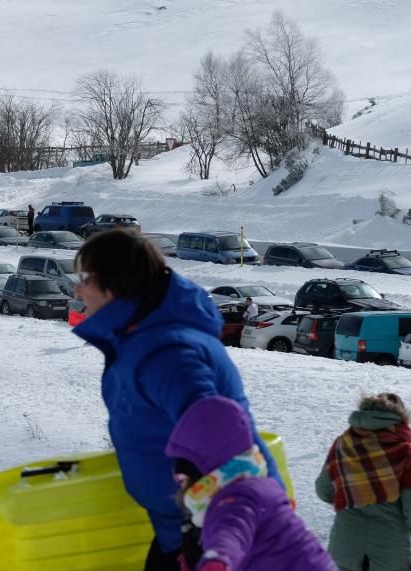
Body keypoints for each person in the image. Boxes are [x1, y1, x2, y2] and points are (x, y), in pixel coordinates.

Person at [70, 229, 279, 570]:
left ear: (113, 282)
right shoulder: (143, 339)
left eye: (84, 278)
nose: (77, 289)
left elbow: (221, 438)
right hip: (185, 528)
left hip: (217, 537)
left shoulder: (166, 352)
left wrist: (221, 544)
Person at [165, 396, 334, 571]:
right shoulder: (254, 486)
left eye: (184, 480)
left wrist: (216, 561)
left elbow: (231, 533)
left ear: (204, 475)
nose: (181, 486)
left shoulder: (236, 499)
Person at [316, 393, 411, 571]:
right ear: (400, 419)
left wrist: (351, 497)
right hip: (389, 552)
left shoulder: (343, 444)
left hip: (345, 545)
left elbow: (323, 489)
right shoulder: (404, 452)